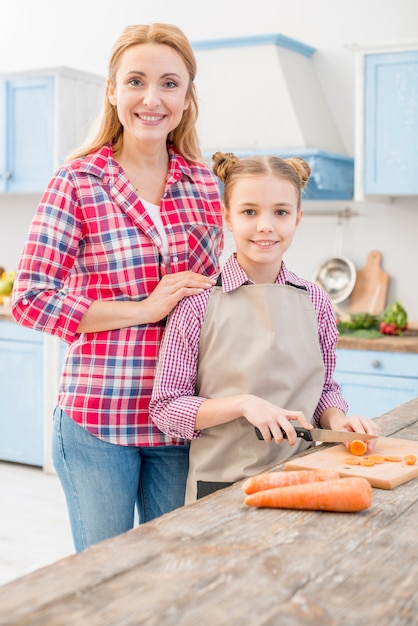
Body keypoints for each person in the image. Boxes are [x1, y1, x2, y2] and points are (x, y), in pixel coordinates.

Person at [11, 23, 223, 551]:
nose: (152, 99)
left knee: (174, 571)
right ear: (113, 91)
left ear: (187, 98)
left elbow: (220, 294)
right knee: (106, 578)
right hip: (98, 417)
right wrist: (145, 309)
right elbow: (31, 299)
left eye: (170, 84)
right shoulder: (77, 180)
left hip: (180, 419)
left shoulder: (204, 184)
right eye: (136, 81)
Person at [150, 151, 381, 503]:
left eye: (281, 212)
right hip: (219, 485)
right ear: (226, 216)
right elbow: (165, 409)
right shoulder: (197, 304)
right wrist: (243, 404)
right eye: (249, 212)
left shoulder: (316, 301)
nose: (265, 226)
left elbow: (324, 390)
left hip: (304, 476)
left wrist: (338, 422)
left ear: (297, 219)